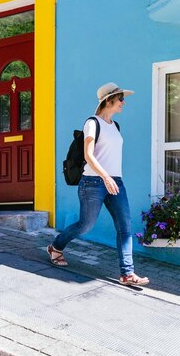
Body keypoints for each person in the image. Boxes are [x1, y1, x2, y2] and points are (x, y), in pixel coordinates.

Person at [47, 82, 149, 286]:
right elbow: (89, 155)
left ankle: (127, 274)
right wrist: (105, 177)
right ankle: (55, 247)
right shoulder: (92, 123)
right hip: (93, 182)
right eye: (120, 98)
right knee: (85, 225)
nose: (123, 102)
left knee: (125, 226)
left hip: (115, 182)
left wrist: (112, 178)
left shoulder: (115, 126)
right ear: (108, 101)